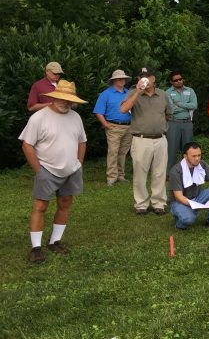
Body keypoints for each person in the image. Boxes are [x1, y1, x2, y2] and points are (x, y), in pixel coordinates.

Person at [19, 80, 87, 263]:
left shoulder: (75, 117)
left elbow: (82, 141)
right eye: (63, 99)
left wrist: (78, 164)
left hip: (71, 170)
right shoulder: (39, 118)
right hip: (47, 169)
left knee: (65, 203)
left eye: (70, 100)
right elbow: (27, 145)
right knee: (40, 207)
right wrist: (39, 171)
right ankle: (36, 247)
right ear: (54, 97)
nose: (66, 103)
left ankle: (54, 241)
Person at [120, 67, 173, 215]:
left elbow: (168, 114)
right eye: (142, 77)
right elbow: (124, 110)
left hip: (161, 139)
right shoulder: (132, 94)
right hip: (140, 139)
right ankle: (141, 204)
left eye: (148, 76)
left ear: (154, 78)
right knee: (140, 173)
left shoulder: (163, 95)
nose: (145, 79)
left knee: (160, 172)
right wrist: (138, 91)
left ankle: (159, 203)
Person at [168, 142, 209, 230]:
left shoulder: (202, 165)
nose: (197, 159)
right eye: (193, 156)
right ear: (185, 156)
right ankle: (179, 223)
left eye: (199, 155)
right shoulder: (176, 170)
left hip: (197, 197)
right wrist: (194, 205)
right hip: (179, 201)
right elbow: (178, 196)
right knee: (188, 219)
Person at [93, 69, 132, 186]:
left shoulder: (129, 93)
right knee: (113, 152)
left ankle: (120, 175)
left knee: (123, 153)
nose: (121, 80)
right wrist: (105, 124)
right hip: (113, 127)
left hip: (128, 127)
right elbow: (98, 111)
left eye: (123, 78)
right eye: (118, 78)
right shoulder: (106, 94)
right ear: (114, 80)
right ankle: (111, 177)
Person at [165, 71, 198, 175]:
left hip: (187, 123)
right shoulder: (168, 92)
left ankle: (187, 172)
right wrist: (186, 106)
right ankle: (170, 173)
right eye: (176, 80)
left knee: (188, 149)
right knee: (172, 150)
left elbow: (194, 105)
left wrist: (179, 104)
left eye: (180, 79)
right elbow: (171, 109)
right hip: (173, 123)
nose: (179, 81)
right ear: (171, 82)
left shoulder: (190, 90)